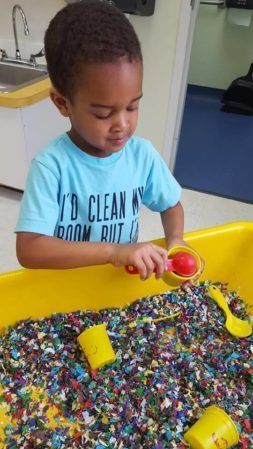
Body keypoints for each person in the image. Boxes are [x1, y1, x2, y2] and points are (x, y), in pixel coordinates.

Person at [15, 0, 202, 281]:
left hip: (117, 286)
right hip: (65, 290)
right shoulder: (51, 166)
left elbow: (170, 204)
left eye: (132, 106)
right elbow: (29, 250)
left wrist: (176, 239)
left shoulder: (142, 155)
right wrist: (114, 252)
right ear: (63, 103)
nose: (123, 125)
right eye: (104, 114)